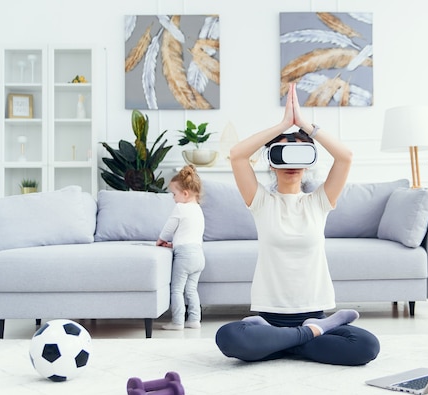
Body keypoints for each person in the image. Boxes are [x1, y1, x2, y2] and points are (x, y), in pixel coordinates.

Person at [215, 84, 380, 365]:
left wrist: (305, 126)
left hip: (312, 311)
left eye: (300, 155)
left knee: (366, 346)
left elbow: (345, 157)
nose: (291, 163)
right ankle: (311, 335)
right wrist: (282, 126)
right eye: (282, 155)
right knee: (228, 337)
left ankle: (279, 344)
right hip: (268, 316)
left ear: (308, 162)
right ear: (271, 162)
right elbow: (238, 155)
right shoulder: (261, 202)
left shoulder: (319, 202)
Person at [157, 165, 206, 330]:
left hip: (185, 256)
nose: (173, 198)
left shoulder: (180, 207)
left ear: (185, 194)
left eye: (174, 194)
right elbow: (190, 233)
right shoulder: (198, 209)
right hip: (198, 255)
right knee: (191, 290)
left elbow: (169, 228)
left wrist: (161, 240)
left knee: (177, 290)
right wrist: (175, 243)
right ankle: (194, 320)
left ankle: (177, 322)